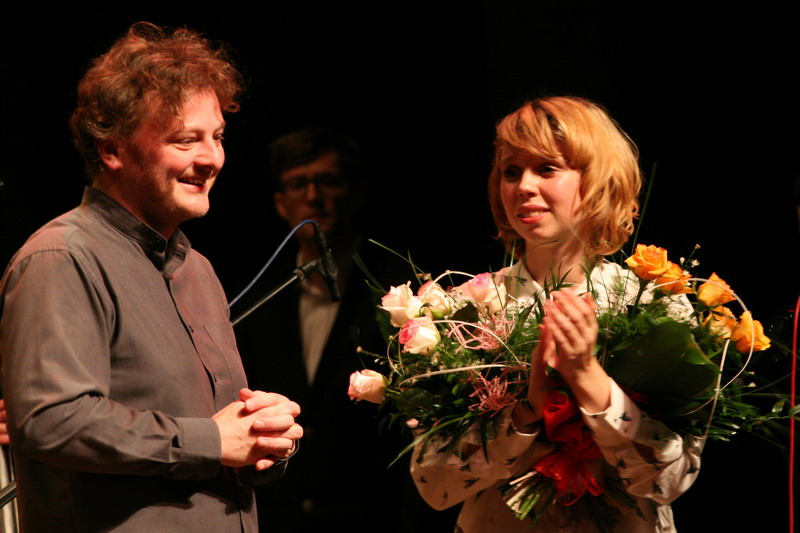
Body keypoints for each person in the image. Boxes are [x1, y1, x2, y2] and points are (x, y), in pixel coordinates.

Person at [0, 23, 302, 532]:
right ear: (113, 150)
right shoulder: (62, 258)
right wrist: (211, 441)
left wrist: (263, 437)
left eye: (217, 137)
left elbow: (222, 441)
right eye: (186, 140)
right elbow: (51, 422)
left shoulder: (198, 270)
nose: (211, 158)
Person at [410, 97, 703, 532]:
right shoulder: (464, 309)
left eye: (546, 168)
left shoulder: (655, 305)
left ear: (598, 179)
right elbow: (434, 487)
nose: (524, 186)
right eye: (511, 171)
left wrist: (589, 380)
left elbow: (671, 478)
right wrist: (525, 414)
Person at [234, 128, 455, 532]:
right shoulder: (258, 297)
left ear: (355, 192)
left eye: (328, 181)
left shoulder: (400, 291)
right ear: (281, 202)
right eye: (298, 184)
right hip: (276, 513)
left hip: (372, 512)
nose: (313, 197)